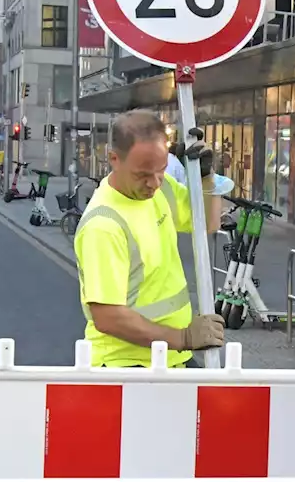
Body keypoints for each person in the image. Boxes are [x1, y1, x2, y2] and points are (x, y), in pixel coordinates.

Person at [75, 110, 225, 368]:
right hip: (126, 365)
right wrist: (183, 337)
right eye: (142, 174)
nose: (153, 183)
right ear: (114, 159)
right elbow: (108, 317)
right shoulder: (104, 225)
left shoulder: (160, 187)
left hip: (170, 356)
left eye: (161, 169)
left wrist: (206, 178)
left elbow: (208, 223)